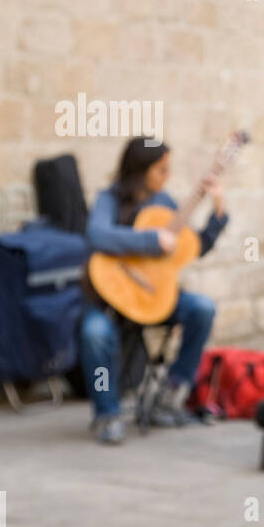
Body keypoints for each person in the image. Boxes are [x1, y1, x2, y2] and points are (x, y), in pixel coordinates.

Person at [81, 137, 228, 445]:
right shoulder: (110, 199)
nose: (167, 176)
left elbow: (192, 248)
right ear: (141, 170)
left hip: (155, 298)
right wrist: (150, 241)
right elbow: (97, 235)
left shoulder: (166, 204)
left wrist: (218, 213)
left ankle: (172, 391)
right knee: (94, 333)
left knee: (202, 308)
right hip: (112, 299)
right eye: (161, 170)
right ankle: (107, 412)